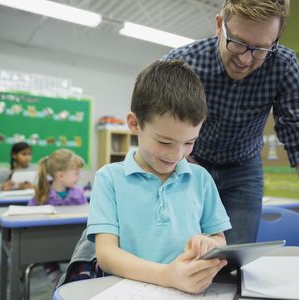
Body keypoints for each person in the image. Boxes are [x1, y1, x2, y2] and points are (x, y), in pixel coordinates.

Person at [162, 0, 299, 248]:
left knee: (233, 257)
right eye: (237, 43)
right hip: (189, 162)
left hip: (243, 170)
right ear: (219, 26)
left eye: (260, 49)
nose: (245, 60)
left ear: (276, 40)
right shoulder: (183, 63)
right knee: (179, 248)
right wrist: (182, 160)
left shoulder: (283, 65)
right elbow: (157, 124)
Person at [87, 60, 231, 294]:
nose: (177, 154)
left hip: (187, 291)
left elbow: (220, 239)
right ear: (134, 124)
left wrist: (210, 244)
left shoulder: (201, 178)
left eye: (190, 142)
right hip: (127, 291)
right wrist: (167, 276)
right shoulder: (109, 178)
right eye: (164, 142)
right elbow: (106, 255)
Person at [29, 148, 87, 285]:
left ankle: (79, 276)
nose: (79, 177)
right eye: (76, 173)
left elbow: (87, 212)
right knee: (46, 246)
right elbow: (29, 217)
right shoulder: (41, 193)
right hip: (48, 243)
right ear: (60, 175)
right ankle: (54, 275)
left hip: (74, 242)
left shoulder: (79, 193)